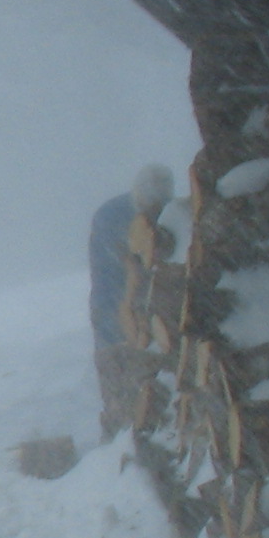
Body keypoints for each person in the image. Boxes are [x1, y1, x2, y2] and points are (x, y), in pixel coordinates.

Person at [90, 163, 175, 438]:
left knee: (144, 371)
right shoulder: (112, 216)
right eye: (152, 201)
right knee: (116, 369)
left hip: (141, 308)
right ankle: (116, 433)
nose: (156, 208)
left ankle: (141, 425)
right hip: (113, 305)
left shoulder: (165, 213)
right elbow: (126, 258)